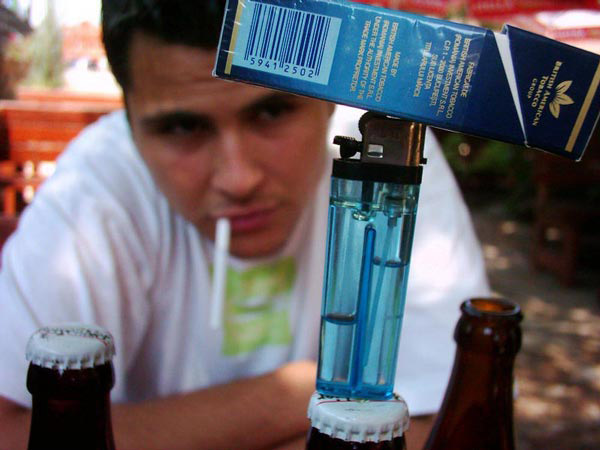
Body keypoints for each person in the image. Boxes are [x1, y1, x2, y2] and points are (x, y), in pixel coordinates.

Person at [0, 1, 490, 449]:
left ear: (330, 104)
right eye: (183, 127)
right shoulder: (95, 186)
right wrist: (294, 392)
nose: (239, 180)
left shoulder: (385, 164)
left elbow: (440, 425)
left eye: (272, 111)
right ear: (127, 124)